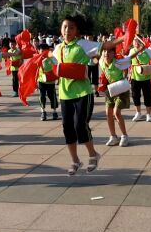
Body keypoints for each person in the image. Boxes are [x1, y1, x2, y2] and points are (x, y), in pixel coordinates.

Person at [50, 15, 124, 175]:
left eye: (71, 27)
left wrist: (125, 36)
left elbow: (107, 45)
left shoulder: (82, 44)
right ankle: (75, 160)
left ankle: (93, 155)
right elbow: (52, 64)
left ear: (77, 31)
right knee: (67, 129)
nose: (67, 30)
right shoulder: (57, 48)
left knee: (79, 126)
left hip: (83, 93)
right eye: (64, 27)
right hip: (64, 94)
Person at [100, 47, 138, 147]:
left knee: (116, 112)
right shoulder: (101, 61)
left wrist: (141, 48)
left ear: (113, 54)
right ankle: (113, 137)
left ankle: (124, 136)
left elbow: (130, 57)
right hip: (110, 89)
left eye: (109, 51)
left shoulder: (118, 62)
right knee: (108, 113)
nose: (106, 53)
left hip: (120, 89)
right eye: (104, 51)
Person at [130, 36, 151, 122]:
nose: (135, 43)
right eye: (134, 41)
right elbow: (128, 59)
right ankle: (138, 113)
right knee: (135, 96)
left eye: (137, 41)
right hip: (135, 77)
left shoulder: (147, 51)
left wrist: (145, 49)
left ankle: (148, 114)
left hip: (146, 77)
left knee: (147, 96)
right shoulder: (132, 51)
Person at [36, 43, 59, 121]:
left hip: (50, 81)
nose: (43, 53)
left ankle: (54, 111)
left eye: (45, 51)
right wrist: (35, 82)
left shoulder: (51, 58)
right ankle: (43, 111)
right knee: (42, 96)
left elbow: (57, 65)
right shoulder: (37, 59)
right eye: (41, 51)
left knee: (52, 96)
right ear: (38, 51)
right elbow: (35, 71)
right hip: (41, 81)